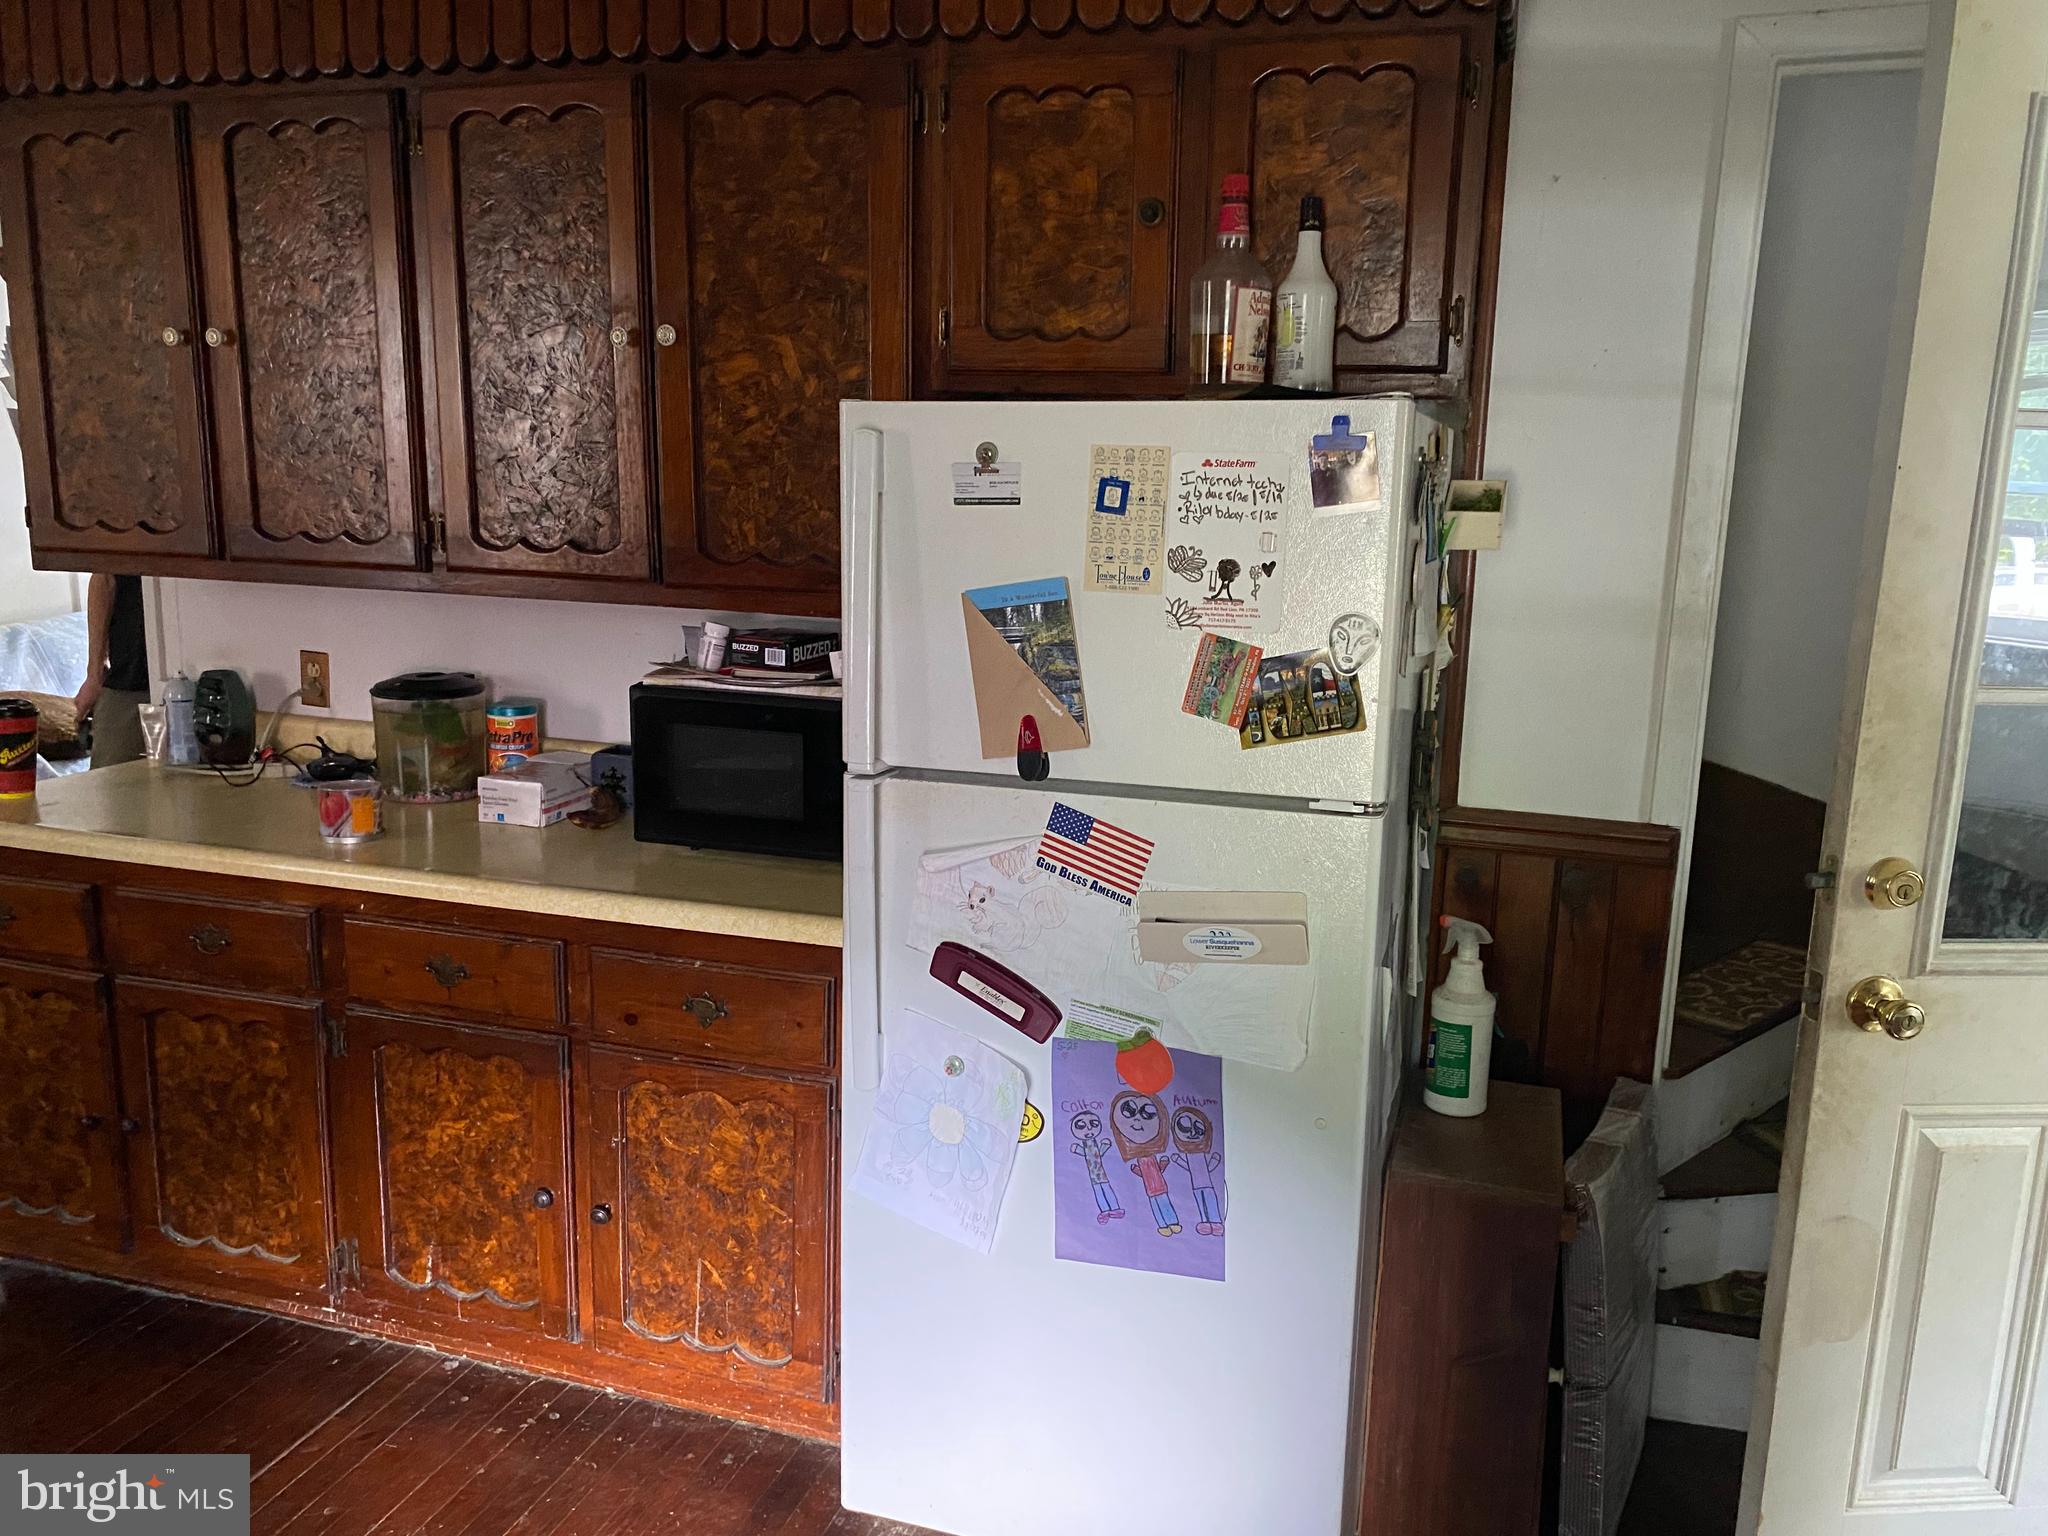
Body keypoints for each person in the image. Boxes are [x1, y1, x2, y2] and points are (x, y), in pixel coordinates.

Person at [73, 574, 148, 768]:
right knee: (109, 784)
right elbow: (103, 577)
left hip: (200, 670)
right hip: (129, 680)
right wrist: (94, 675)